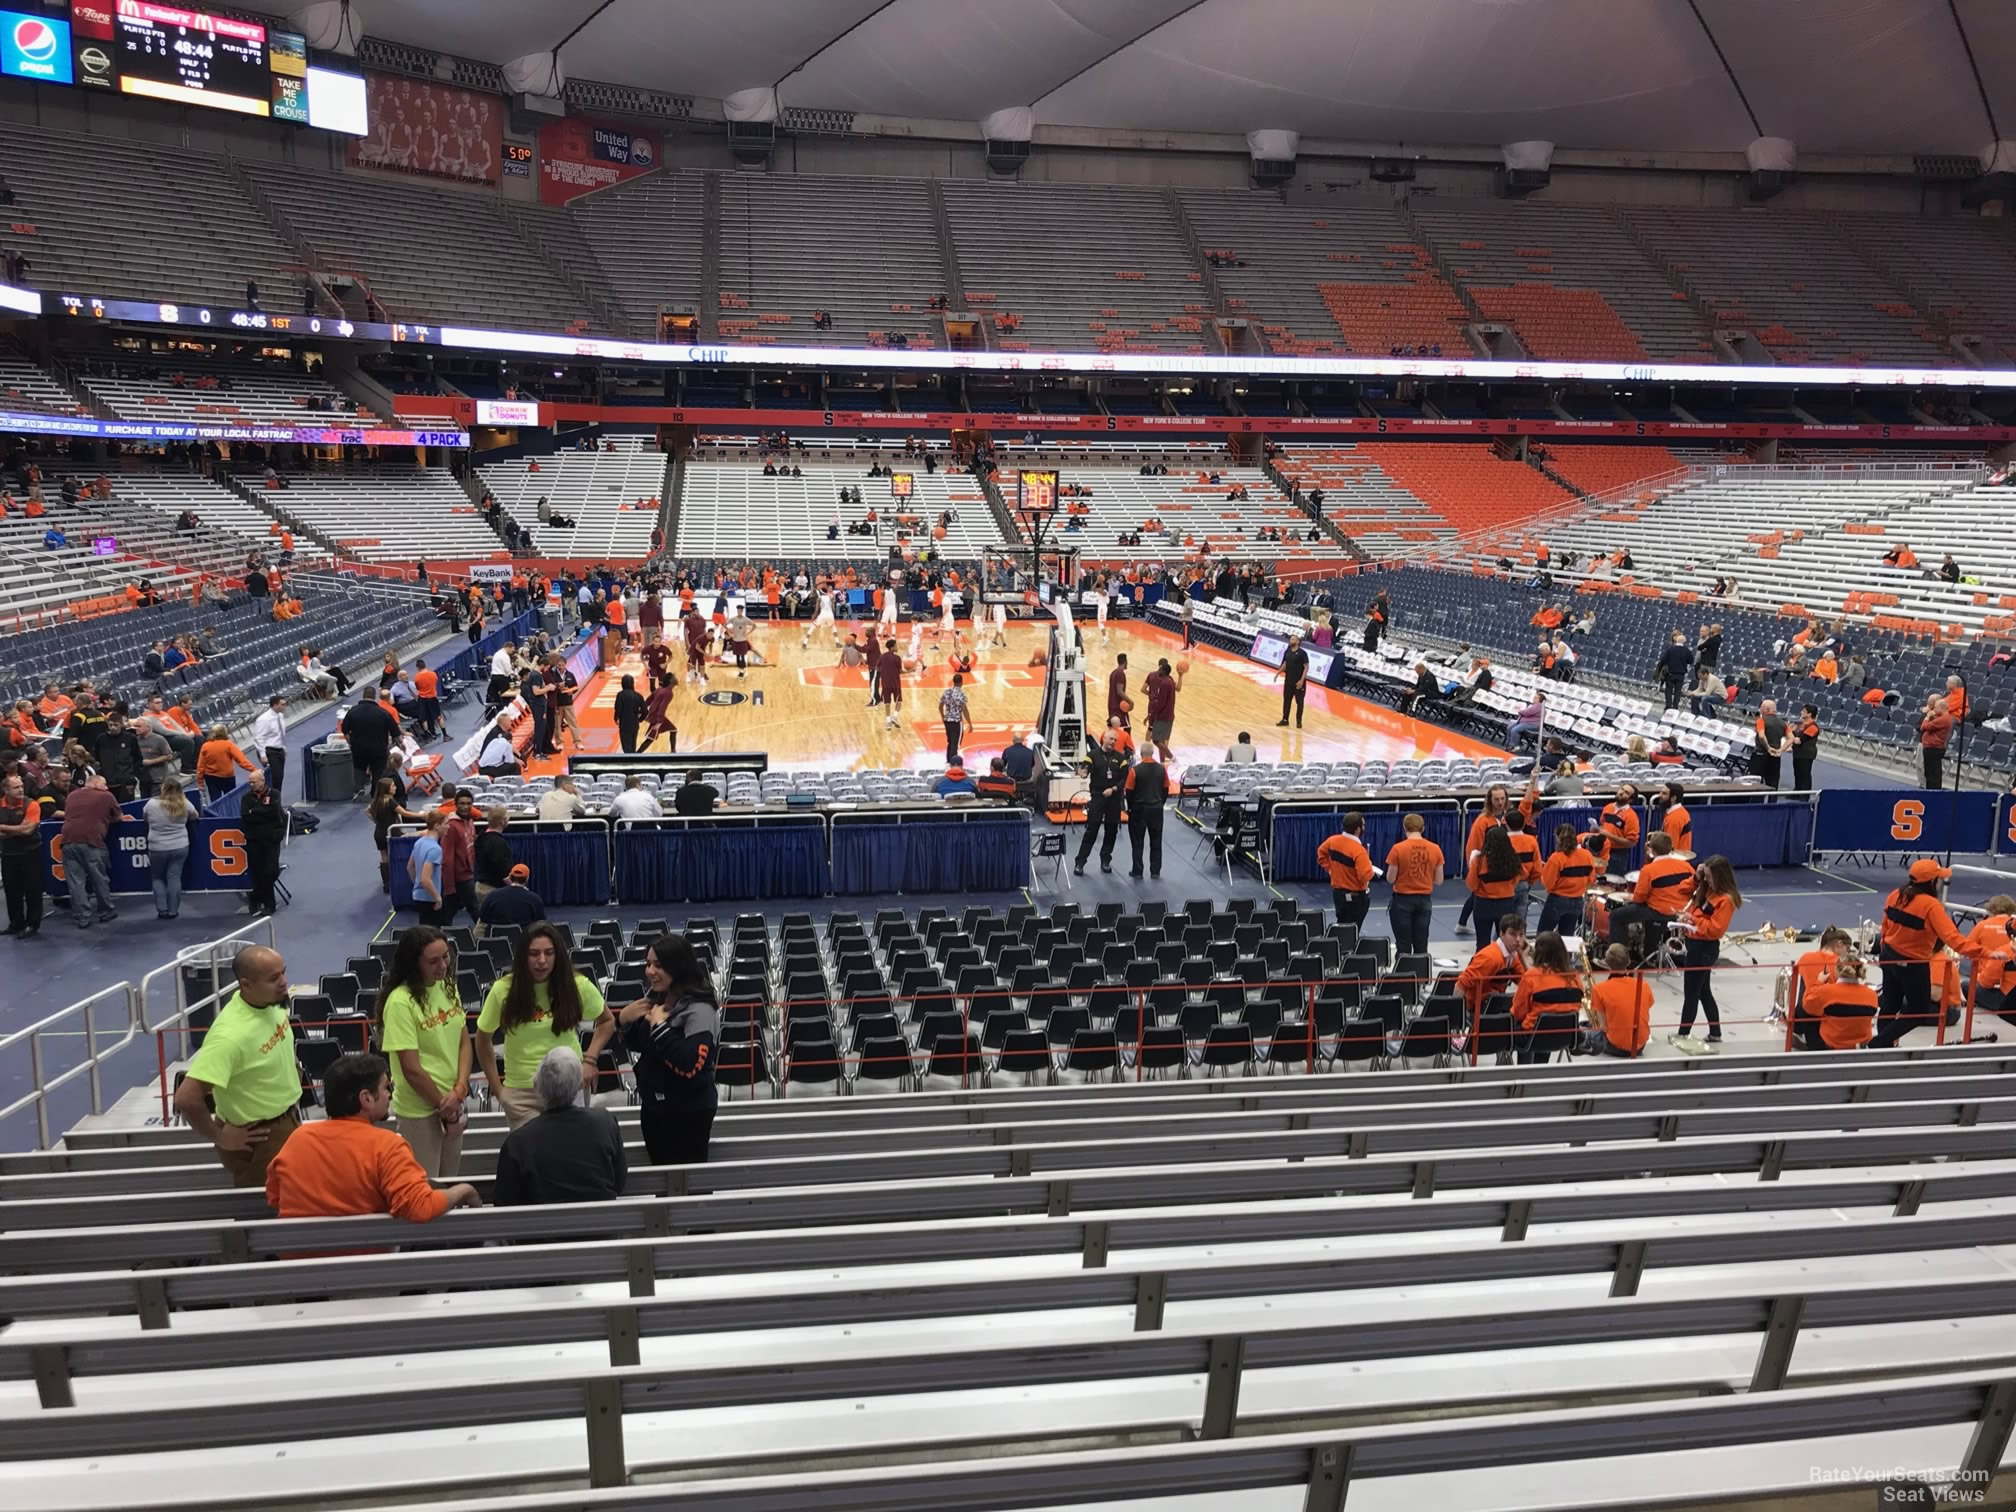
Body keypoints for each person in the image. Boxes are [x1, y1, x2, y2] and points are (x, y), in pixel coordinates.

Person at [264, 1052, 480, 1222]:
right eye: (386, 1087)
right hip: (366, 1264)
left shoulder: (296, 1140)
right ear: (366, 1098)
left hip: (296, 1265)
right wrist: (463, 1190)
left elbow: (275, 1196)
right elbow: (420, 1208)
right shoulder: (388, 1146)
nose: (390, 1094)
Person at [171, 946, 302, 1186]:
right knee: (266, 1213)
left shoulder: (271, 1001)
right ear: (246, 985)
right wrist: (220, 1137)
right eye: (274, 978)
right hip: (260, 1139)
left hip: (289, 1119)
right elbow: (185, 1098)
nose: (284, 982)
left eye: (283, 972)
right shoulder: (230, 1036)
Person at [475, 923, 615, 1128]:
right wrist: (498, 1090)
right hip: (522, 1093)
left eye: (549, 953)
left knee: (568, 1154)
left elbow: (607, 1020)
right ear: (523, 956)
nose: (542, 961)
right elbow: (482, 1038)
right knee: (531, 1157)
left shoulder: (578, 985)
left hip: (568, 1087)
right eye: (534, 954)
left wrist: (590, 1060)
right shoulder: (502, 990)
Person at [377, 926, 472, 1178]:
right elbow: (411, 1068)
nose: (442, 966)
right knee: (426, 1186)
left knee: (449, 1179)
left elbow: (464, 1042)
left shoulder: (447, 987)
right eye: (433, 961)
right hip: (421, 1111)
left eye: (445, 957)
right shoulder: (400, 1002)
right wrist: (444, 1106)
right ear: (414, 963)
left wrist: (460, 1090)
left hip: (453, 1101)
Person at [618, 933, 721, 1164]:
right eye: (648, 964)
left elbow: (690, 1064)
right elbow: (641, 1045)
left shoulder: (700, 1010)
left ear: (677, 967)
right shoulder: (657, 998)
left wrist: (659, 1025)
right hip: (654, 1109)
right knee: (661, 1183)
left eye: (658, 965)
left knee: (689, 1187)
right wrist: (624, 1021)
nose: (649, 971)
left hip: (688, 1114)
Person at [494, 1045, 629, 1204]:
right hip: (603, 1224)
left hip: (543, 1227)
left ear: (538, 1086)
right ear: (579, 1085)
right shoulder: (605, 1123)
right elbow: (619, 1184)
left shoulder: (517, 1143)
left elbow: (505, 1201)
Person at [1872, 860, 1982, 1048]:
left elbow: (1885, 925)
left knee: (1890, 1005)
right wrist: (1982, 952)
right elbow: (1952, 937)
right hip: (1913, 963)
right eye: (1939, 878)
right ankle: (1877, 1043)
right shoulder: (1931, 906)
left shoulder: (1895, 895)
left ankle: (1883, 1046)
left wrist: (1884, 945)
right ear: (1932, 882)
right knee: (1918, 1011)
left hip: (1889, 956)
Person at [1670, 855, 1740, 1054]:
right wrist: (1696, 877)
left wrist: (1692, 921)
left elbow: (1716, 929)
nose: (1707, 880)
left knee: (1691, 992)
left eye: (1709, 877)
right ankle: (1715, 1032)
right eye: (1706, 876)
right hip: (1695, 944)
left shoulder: (1725, 900)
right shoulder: (1707, 890)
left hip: (1704, 948)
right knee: (1703, 991)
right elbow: (1682, 890)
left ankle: (1683, 1033)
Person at [1606, 831, 1694, 962]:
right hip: (1683, 911)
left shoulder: (1649, 870)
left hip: (1658, 911)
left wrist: (1629, 897)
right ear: (1671, 848)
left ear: (1651, 850)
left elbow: (1639, 898)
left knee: (1616, 916)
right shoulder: (1687, 866)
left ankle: (1618, 958)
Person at [59, 771, 120, 928]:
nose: (106, 787)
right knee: (99, 879)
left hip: (68, 841)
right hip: (91, 841)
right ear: (94, 783)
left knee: (76, 882)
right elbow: (118, 817)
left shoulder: (72, 795)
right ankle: (106, 911)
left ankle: (82, 916)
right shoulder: (106, 796)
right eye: (104, 784)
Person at [1511, 930, 1582, 1063]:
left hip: (1534, 1036)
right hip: (1566, 1036)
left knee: (1512, 1025)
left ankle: (1523, 1070)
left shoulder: (1532, 976)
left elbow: (1518, 1012)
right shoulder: (1575, 977)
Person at [1384, 813, 1444, 952]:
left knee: (1403, 944)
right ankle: (1421, 971)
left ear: (1405, 828)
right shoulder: (1435, 848)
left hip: (1402, 900)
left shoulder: (1398, 848)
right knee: (1421, 944)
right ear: (1423, 829)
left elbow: (1390, 878)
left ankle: (1404, 972)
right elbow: (1439, 880)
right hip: (1424, 900)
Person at [1580, 944, 1652, 1057]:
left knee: (1582, 1031)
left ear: (1606, 964)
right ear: (1628, 962)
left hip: (1615, 1046)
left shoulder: (1599, 989)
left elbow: (1603, 1028)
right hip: (1640, 1045)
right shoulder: (1644, 985)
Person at [1457, 917, 1527, 1028]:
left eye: (1521, 934)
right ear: (1502, 934)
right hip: (1477, 1011)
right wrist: (1457, 1021)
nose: (1518, 939)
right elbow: (1461, 984)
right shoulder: (1490, 957)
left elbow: (1527, 983)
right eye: (1513, 934)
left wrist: (1523, 957)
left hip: (1496, 1007)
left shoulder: (1514, 955)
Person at [142, 775, 195, 919]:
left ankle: (162, 910)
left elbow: (145, 818)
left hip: (157, 847)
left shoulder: (151, 804)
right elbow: (195, 816)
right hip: (180, 846)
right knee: (174, 878)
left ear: (163, 789)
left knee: (157, 878)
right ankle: (173, 911)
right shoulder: (184, 803)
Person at [1798, 956, 1878, 1051]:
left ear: (1837, 970)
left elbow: (1808, 1007)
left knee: (1809, 1008)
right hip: (1860, 1043)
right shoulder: (1872, 994)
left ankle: (1805, 1041)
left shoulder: (1827, 991)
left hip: (1831, 1043)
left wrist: (1818, 982)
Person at [0, 770, 44, 937]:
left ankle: (32, 924)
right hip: (8, 854)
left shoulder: (31, 804)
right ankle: (16, 923)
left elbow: (28, 830)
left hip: (30, 852)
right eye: (16, 787)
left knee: (32, 889)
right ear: (6, 790)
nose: (20, 790)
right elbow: (22, 829)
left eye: (21, 786)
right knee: (11, 890)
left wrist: (3, 828)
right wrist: (17, 829)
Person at [1075, 733, 1126, 875]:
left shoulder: (1121, 758)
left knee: (1111, 831)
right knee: (1092, 830)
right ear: (1104, 739)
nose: (1113, 741)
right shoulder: (1092, 755)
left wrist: (1113, 789)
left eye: (1115, 740)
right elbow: (1085, 767)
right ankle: (1080, 862)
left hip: (1114, 799)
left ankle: (1105, 860)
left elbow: (1124, 779)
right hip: (1097, 797)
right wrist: (1083, 772)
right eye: (1111, 739)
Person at [1466, 826, 1522, 948]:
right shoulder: (1513, 859)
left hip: (1483, 903)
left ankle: (1483, 966)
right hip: (1506, 903)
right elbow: (1516, 879)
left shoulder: (1479, 861)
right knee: (1505, 944)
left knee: (1482, 943)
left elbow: (1472, 884)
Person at [1317, 811, 1374, 931]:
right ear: (1358, 829)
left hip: (1338, 895)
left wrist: (1330, 869)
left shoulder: (1332, 840)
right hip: (1356, 898)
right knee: (1352, 931)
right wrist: (1369, 866)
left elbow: (1321, 854)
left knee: (1341, 925)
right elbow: (1365, 875)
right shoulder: (1359, 850)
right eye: (1363, 825)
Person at [1536, 824, 1595, 937]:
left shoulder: (1556, 858)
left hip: (1557, 900)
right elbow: (1591, 880)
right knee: (1567, 938)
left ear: (1558, 838)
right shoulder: (1587, 855)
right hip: (1577, 901)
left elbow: (1547, 883)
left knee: (1543, 935)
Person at [1124, 744, 1169, 880]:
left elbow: (1129, 792)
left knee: (1137, 842)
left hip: (1139, 810)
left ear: (1141, 754)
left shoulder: (1134, 771)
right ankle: (1155, 871)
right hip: (1156, 809)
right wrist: (1160, 803)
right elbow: (1166, 789)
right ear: (1153, 753)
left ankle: (1137, 871)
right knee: (1156, 841)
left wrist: (1131, 808)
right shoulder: (1162, 770)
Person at [342, 692, 398, 794]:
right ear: (374, 696)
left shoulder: (352, 712)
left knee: (359, 768)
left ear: (363, 696)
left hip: (359, 748)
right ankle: (375, 793)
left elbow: (345, 731)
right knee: (378, 771)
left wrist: (351, 743)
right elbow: (395, 732)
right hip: (378, 749)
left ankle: (359, 789)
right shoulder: (383, 712)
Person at [478, 862, 546, 934]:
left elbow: (483, 919)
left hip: (495, 942)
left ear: (510, 877)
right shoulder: (534, 899)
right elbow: (540, 924)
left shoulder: (493, 895)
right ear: (527, 879)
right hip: (523, 943)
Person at [1141, 658, 1184, 764]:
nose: (1158, 670)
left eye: (1160, 668)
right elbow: (1178, 689)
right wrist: (1180, 675)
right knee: (1162, 740)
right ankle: (1162, 761)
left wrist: (1150, 714)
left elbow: (1161, 702)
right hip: (1167, 713)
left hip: (1160, 712)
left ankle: (1172, 759)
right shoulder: (1170, 681)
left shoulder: (1163, 682)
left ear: (1163, 670)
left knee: (1155, 738)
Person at [473, 807, 513, 916]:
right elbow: (504, 871)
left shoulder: (481, 838)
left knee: (484, 919)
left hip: (480, 885)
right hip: (493, 889)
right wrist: (517, 888)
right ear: (502, 821)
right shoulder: (498, 843)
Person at [408, 810, 446, 923]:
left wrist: (416, 884)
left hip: (418, 896)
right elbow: (425, 879)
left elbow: (410, 867)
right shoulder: (435, 849)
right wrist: (437, 898)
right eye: (446, 823)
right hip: (429, 898)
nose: (448, 826)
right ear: (437, 826)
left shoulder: (419, 842)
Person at [1919, 692, 1954, 789]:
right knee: (1931, 772)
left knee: (1932, 773)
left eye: (1936, 707)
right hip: (1931, 747)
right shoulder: (1942, 718)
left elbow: (1923, 727)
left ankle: (1933, 791)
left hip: (1933, 748)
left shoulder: (1943, 719)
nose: (1934, 709)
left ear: (1942, 708)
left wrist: (1927, 716)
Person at [1751, 699, 1788, 789]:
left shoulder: (1761, 720)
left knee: (1755, 779)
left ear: (1766, 709)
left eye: (1762, 707)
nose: (1760, 709)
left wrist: (1768, 748)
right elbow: (1791, 738)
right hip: (1776, 755)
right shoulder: (1783, 723)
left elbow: (1762, 736)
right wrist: (1781, 750)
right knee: (1772, 781)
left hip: (1761, 753)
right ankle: (1771, 800)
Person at [1655, 630, 1693, 711]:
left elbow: (1664, 660)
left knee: (1668, 690)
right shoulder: (1686, 650)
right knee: (1678, 691)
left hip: (1671, 673)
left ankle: (1668, 706)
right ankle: (1675, 706)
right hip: (1681, 674)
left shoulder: (1671, 649)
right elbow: (1691, 661)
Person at [872, 637, 904, 730]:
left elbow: (877, 668)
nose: (897, 647)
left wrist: (884, 672)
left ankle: (888, 721)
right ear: (892, 648)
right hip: (895, 684)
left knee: (887, 703)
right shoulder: (897, 658)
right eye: (896, 646)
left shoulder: (882, 656)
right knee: (899, 701)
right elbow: (900, 671)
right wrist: (911, 670)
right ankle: (895, 717)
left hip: (885, 683)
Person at [1277, 634, 1309, 728]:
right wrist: (1278, 672)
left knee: (1299, 702)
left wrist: (1302, 680)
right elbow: (1285, 663)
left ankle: (1299, 720)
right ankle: (1285, 719)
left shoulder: (1302, 653)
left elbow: (1306, 667)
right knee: (1286, 700)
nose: (1290, 640)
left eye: (1293, 639)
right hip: (1288, 681)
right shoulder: (1287, 651)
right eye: (1290, 639)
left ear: (1297, 641)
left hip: (1298, 682)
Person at [939, 674, 969, 765]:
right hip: (957, 721)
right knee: (955, 745)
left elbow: (940, 705)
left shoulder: (946, 692)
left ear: (953, 681)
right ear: (961, 682)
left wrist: (942, 716)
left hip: (947, 721)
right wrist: (970, 723)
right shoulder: (961, 693)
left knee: (950, 742)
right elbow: (964, 709)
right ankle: (953, 764)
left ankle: (948, 762)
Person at [612, 674, 647, 754]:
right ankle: (633, 762)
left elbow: (618, 709)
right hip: (634, 724)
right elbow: (645, 711)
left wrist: (616, 718)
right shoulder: (638, 696)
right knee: (632, 745)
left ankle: (630, 763)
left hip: (624, 724)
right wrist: (640, 720)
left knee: (626, 748)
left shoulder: (620, 695)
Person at [1790, 705, 1820, 792]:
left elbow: (1800, 739)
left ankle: (1804, 794)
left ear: (1810, 714)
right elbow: (1792, 734)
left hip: (1806, 753)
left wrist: (1794, 737)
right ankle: (1797, 791)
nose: (1801, 712)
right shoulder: (1801, 724)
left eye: (1803, 711)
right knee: (1797, 773)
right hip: (1798, 752)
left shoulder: (1813, 727)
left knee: (1805, 774)